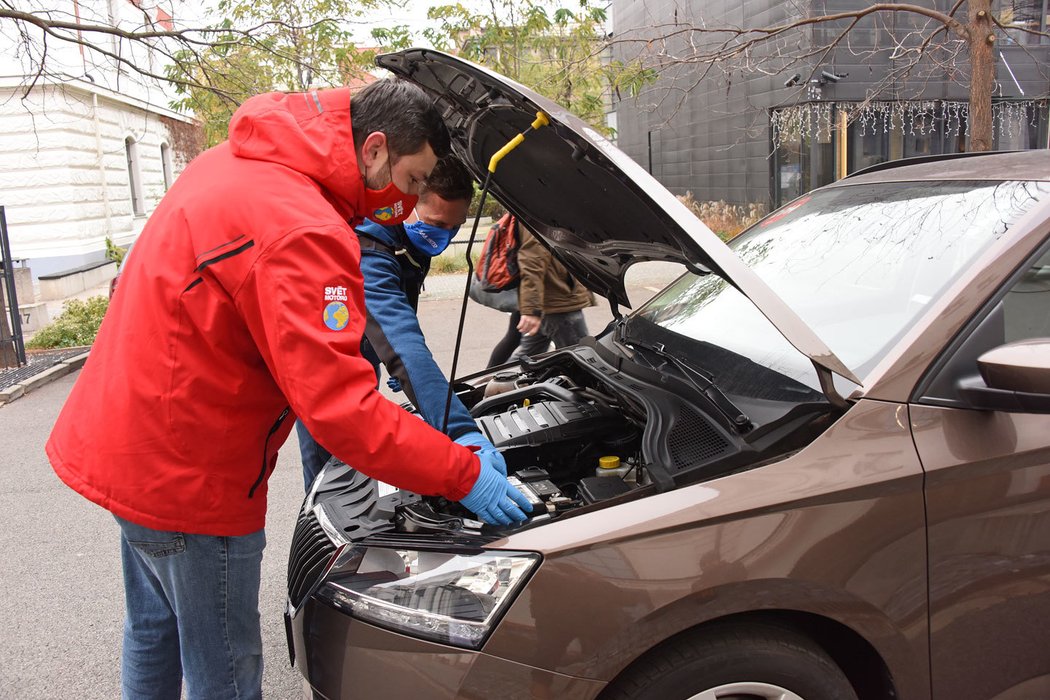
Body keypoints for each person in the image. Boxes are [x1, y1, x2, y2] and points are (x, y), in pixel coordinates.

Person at [45, 79, 529, 700]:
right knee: (226, 666)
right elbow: (341, 413)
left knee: (153, 629)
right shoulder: (302, 227)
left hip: (129, 442)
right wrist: (463, 471)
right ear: (375, 149)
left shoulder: (239, 161)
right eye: (412, 182)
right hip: (189, 475)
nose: (408, 206)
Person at [297, 154, 504, 490]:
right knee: (330, 479)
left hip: (364, 350)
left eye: (455, 227)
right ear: (407, 203)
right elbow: (404, 340)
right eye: (437, 225)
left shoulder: (406, 239)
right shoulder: (368, 249)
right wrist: (461, 430)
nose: (445, 237)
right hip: (323, 370)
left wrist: (394, 365)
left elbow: (401, 311)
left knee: (358, 469)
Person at [511, 225, 594, 359]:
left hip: (552, 302)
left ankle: (498, 378)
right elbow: (533, 260)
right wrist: (532, 310)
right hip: (559, 302)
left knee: (527, 360)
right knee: (582, 358)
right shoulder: (540, 210)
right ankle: (497, 379)